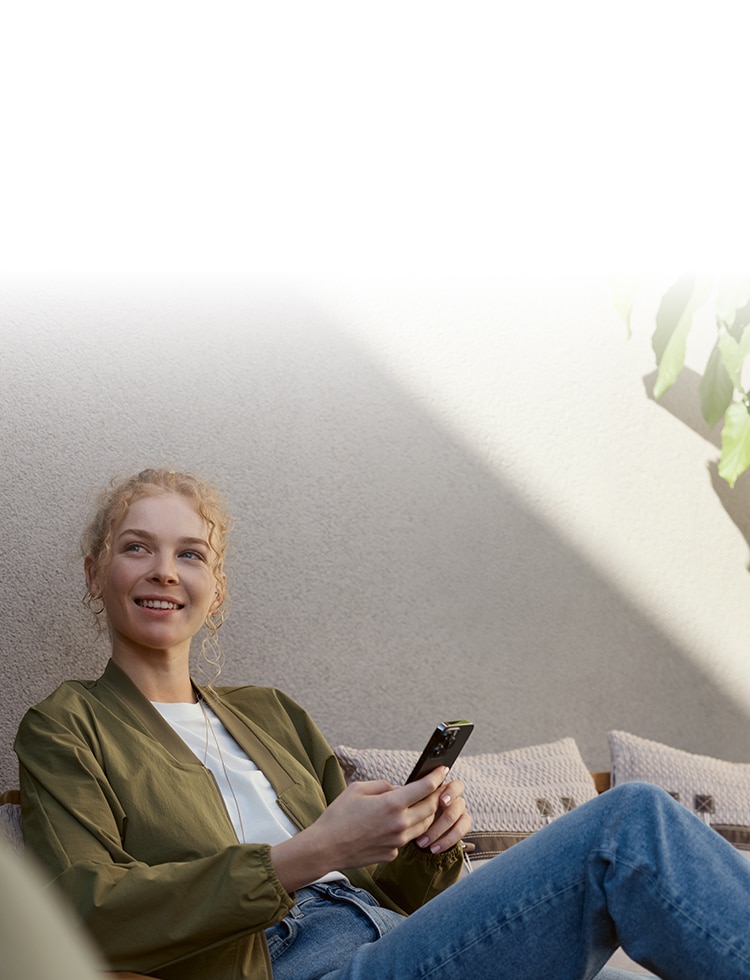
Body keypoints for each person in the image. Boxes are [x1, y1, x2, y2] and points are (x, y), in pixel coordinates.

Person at [13, 468, 750, 980]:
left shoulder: (271, 714)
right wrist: (308, 854)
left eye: (190, 554)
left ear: (217, 586)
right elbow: (90, 913)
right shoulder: (65, 728)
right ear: (95, 573)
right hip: (300, 964)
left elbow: (395, 893)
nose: (165, 571)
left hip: (400, 945)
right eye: (136, 547)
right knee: (627, 827)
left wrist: (428, 844)